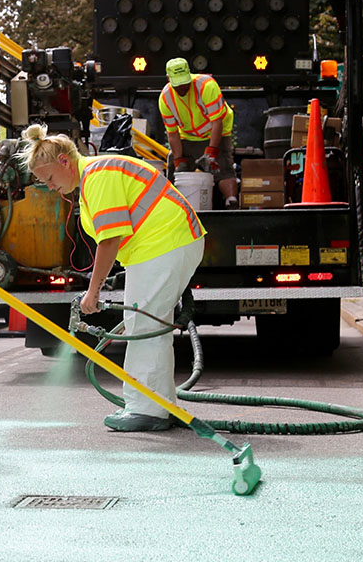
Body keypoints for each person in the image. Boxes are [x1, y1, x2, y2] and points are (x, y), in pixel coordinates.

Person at [20, 123, 205, 432]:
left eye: (50, 178)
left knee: (145, 327)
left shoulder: (97, 176)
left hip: (163, 244)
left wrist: (92, 293)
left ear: (65, 161)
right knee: (147, 325)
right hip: (162, 245)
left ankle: (147, 409)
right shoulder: (91, 180)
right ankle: (158, 403)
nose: (50, 187)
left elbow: (110, 240)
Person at [158, 57, 238, 207]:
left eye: (185, 82)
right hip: (188, 135)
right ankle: (170, 205)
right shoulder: (165, 98)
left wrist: (212, 152)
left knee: (222, 164)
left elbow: (217, 122)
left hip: (216, 131)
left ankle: (231, 202)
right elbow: (173, 134)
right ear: (169, 79)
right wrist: (179, 160)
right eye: (177, 84)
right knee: (173, 165)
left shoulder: (206, 86)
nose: (182, 86)